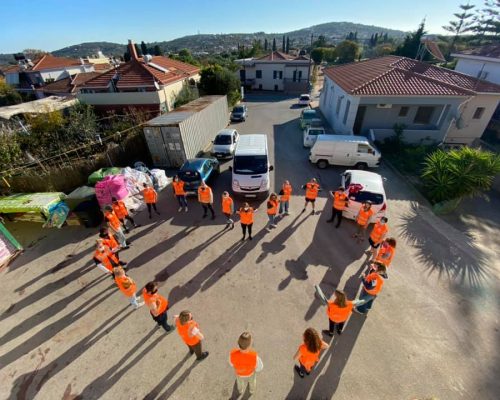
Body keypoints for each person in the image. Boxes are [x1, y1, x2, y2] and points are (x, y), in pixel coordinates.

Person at [229, 332, 264, 396]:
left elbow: (231, 364)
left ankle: (240, 390)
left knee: (239, 382)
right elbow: (260, 367)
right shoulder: (254, 356)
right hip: (250, 373)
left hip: (239, 373)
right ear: (250, 345)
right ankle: (252, 390)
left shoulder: (232, 354)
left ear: (238, 343)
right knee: (252, 381)